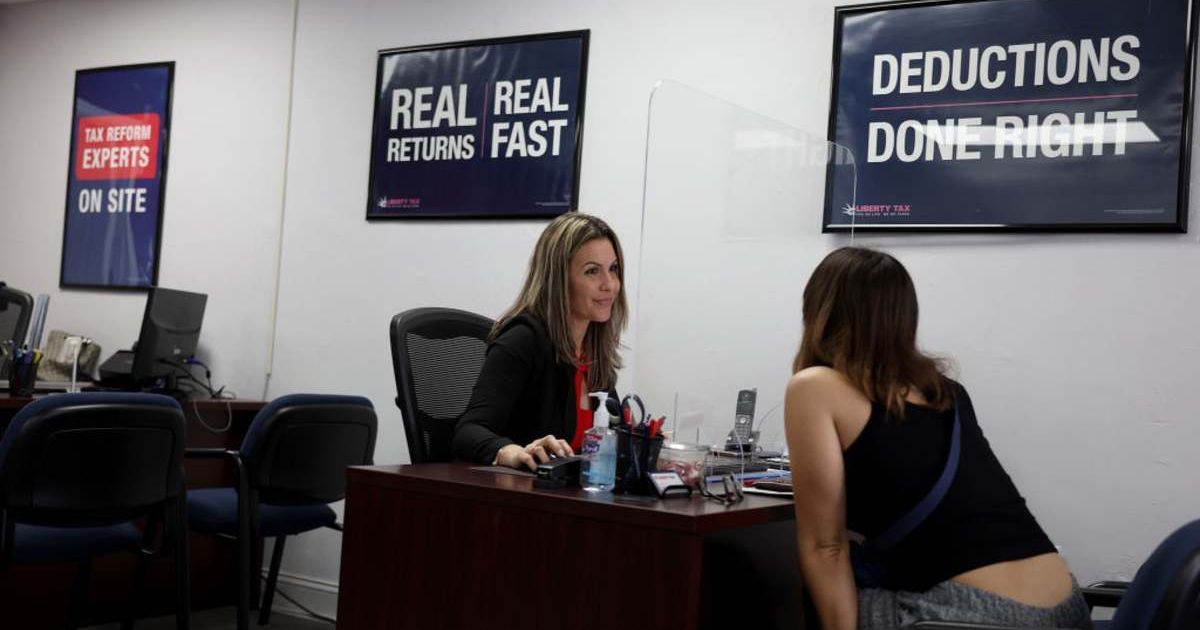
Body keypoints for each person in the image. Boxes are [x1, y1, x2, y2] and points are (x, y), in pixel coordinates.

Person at [784, 247, 1091, 630]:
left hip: (976, 617)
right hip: (1067, 612)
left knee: (798, 590)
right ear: (903, 317)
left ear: (819, 312)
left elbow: (825, 547)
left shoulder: (814, 386)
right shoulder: (946, 391)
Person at [453, 212, 627, 472]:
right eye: (592, 271)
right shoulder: (523, 339)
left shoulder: (592, 350)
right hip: (518, 500)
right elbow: (467, 432)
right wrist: (510, 451)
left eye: (613, 269)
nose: (610, 284)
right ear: (558, 279)